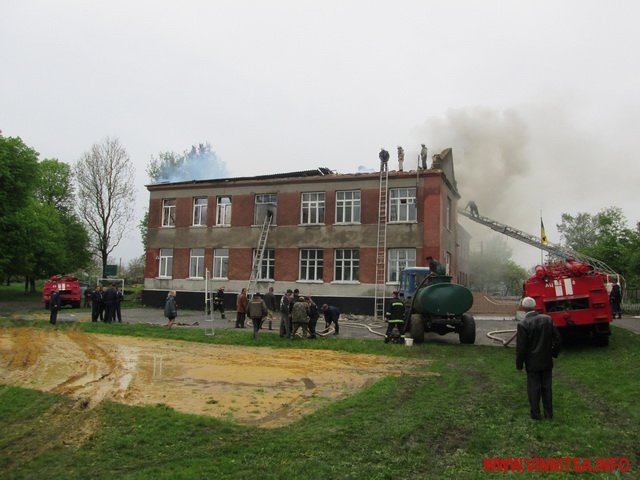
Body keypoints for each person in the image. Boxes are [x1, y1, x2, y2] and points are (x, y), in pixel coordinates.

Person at [516, 296, 561, 420]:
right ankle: (549, 414)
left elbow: (521, 348)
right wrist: (553, 353)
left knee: (533, 388)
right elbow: (557, 339)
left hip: (532, 362)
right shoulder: (547, 319)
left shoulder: (523, 324)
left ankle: (535, 415)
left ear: (523, 308)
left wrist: (519, 365)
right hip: (546, 360)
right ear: (535, 306)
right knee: (547, 387)